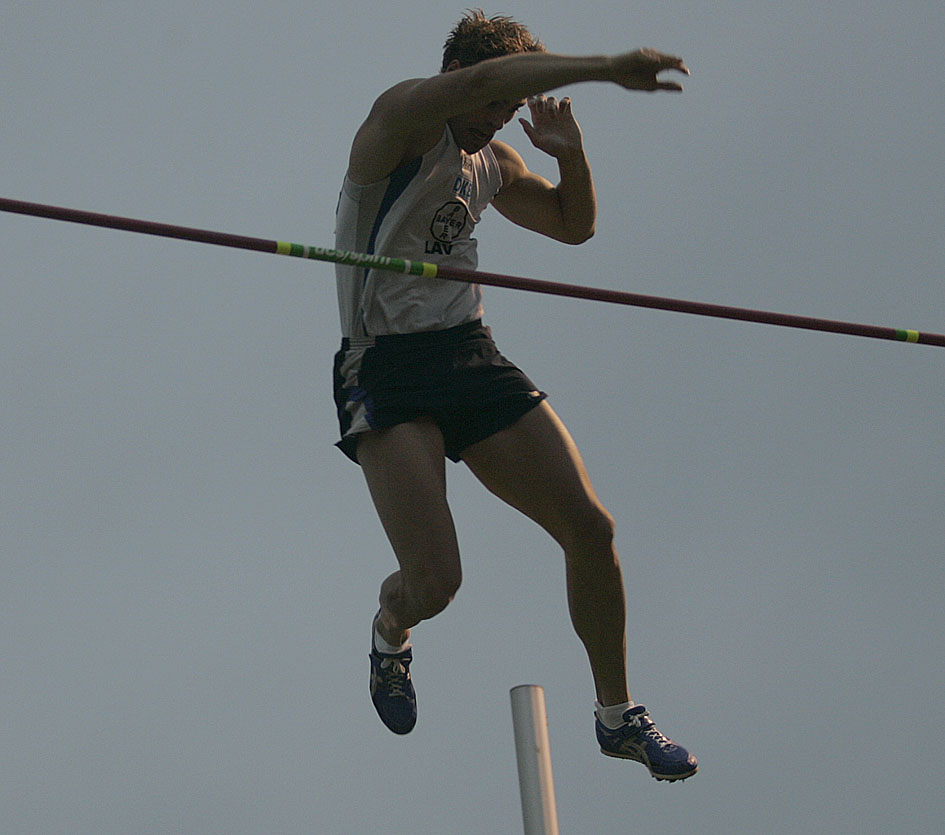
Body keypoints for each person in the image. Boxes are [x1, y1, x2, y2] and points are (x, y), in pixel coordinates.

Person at [332, 11, 697, 781]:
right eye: (490, 105)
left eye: (504, 111)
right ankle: (389, 632)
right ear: (457, 81)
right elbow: (482, 80)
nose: (498, 118)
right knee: (435, 583)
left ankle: (616, 716)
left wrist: (573, 156)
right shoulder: (400, 122)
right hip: (385, 368)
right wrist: (604, 66)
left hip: (468, 354)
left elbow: (573, 227)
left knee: (590, 527)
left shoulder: (491, 161)